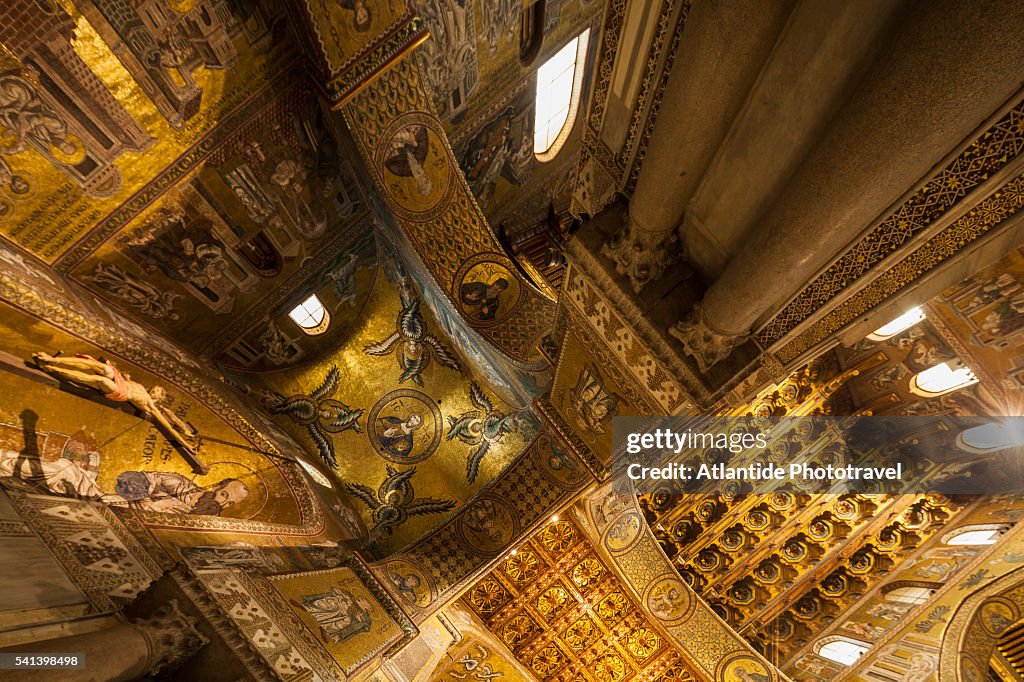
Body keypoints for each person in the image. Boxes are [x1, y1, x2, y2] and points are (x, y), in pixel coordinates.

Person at [31, 352, 206, 472]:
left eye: (158, 391)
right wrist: (125, 376)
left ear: (159, 398)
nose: (154, 389)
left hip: (121, 392)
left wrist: (186, 444)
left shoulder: (151, 407)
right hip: (121, 380)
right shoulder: (141, 387)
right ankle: (54, 360)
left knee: (99, 379)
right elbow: (123, 377)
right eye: (155, 388)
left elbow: (169, 428)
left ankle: (52, 369)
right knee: (101, 367)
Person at [114, 470, 248, 515]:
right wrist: (147, 503)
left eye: (230, 503)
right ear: (215, 488)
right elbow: (128, 478)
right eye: (224, 495)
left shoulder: (212, 522)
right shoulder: (180, 485)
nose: (222, 503)